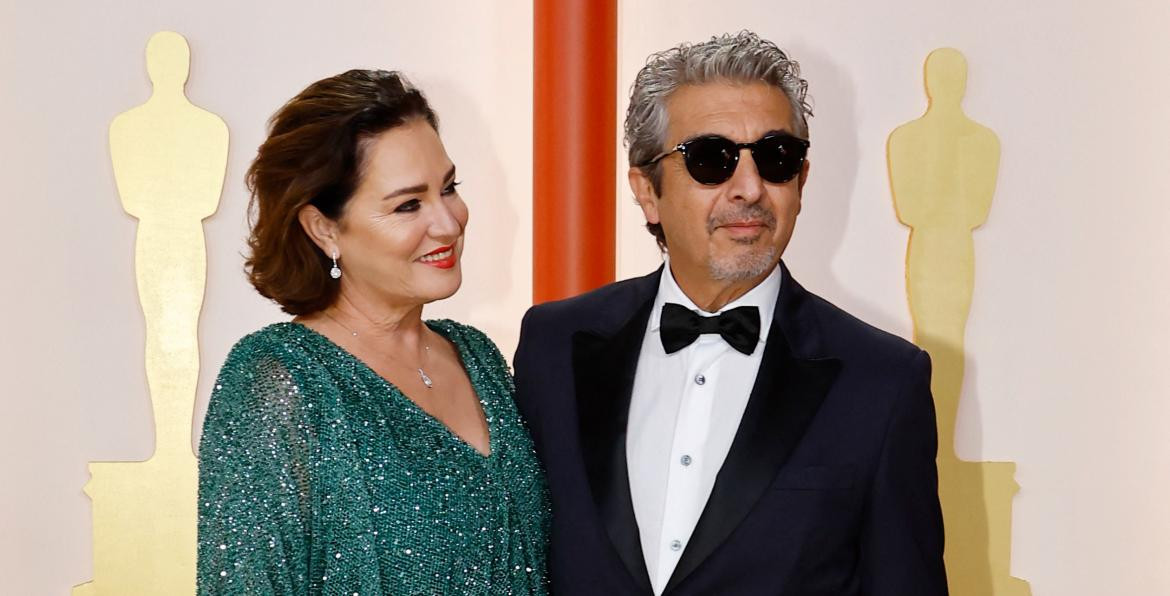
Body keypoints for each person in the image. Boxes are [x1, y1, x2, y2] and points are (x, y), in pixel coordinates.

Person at [513, 32, 947, 595]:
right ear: (647, 190)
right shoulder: (554, 343)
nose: (749, 188)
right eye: (711, 159)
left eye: (776, 158)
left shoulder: (882, 381)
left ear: (802, 181)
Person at [196, 70, 549, 595]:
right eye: (408, 205)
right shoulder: (278, 380)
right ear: (324, 229)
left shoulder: (478, 357)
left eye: (448, 188)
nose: (449, 223)